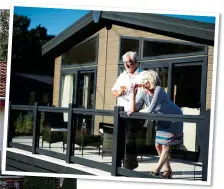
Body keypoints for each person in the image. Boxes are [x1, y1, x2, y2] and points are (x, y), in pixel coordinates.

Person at [128, 70, 183, 178]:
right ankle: (168, 170)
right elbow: (133, 109)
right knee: (158, 145)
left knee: (166, 146)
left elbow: (150, 109)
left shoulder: (159, 90)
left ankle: (155, 171)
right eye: (142, 80)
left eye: (146, 80)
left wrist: (137, 112)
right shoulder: (144, 92)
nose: (143, 82)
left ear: (151, 80)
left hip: (174, 118)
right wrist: (133, 95)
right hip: (162, 119)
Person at [112, 51, 145, 170]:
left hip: (134, 112)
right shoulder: (122, 76)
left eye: (129, 62)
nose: (127, 65)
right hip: (121, 112)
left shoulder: (142, 75)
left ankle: (129, 165)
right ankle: (119, 163)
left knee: (130, 139)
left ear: (135, 62)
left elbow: (145, 93)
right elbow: (113, 92)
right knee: (119, 138)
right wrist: (119, 92)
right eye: (125, 63)